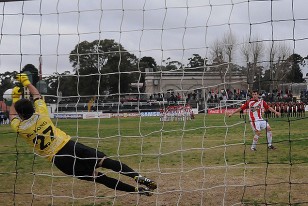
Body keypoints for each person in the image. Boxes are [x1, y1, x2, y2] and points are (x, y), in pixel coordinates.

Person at [8, 73, 157, 196]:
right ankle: (136, 176)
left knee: (100, 178)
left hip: (59, 159)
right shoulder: (42, 114)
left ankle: (137, 191)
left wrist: (14, 99)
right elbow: (37, 95)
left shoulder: (20, 128)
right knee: (106, 162)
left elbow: (12, 116)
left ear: (20, 114)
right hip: (70, 146)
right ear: (32, 109)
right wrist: (27, 82)